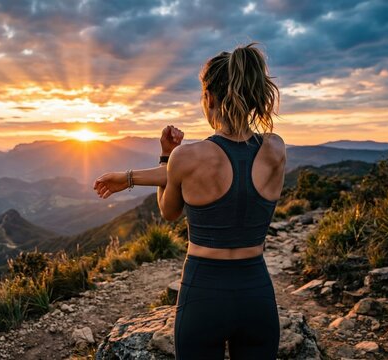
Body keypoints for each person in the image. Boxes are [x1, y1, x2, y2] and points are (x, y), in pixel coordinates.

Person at [92, 42, 286, 359]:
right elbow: (229, 166)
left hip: (204, 293)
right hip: (256, 293)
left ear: (208, 97)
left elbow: (169, 210)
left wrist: (164, 156)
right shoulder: (276, 149)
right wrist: (131, 176)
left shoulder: (186, 157)